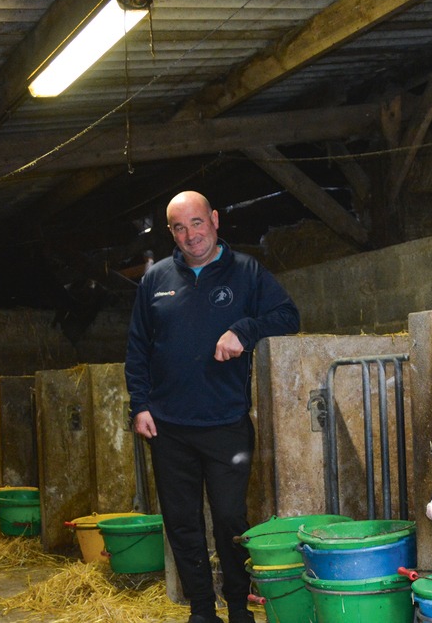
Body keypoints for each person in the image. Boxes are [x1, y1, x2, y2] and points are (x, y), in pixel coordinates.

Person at [126, 190, 300, 623]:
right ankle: (202, 609)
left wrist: (245, 329)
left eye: (197, 223)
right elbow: (137, 348)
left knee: (228, 519)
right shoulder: (156, 279)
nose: (191, 235)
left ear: (215, 220)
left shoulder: (246, 272)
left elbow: (287, 316)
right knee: (182, 522)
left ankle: (238, 605)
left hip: (226, 424)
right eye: (180, 228)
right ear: (171, 232)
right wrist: (140, 404)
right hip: (168, 426)